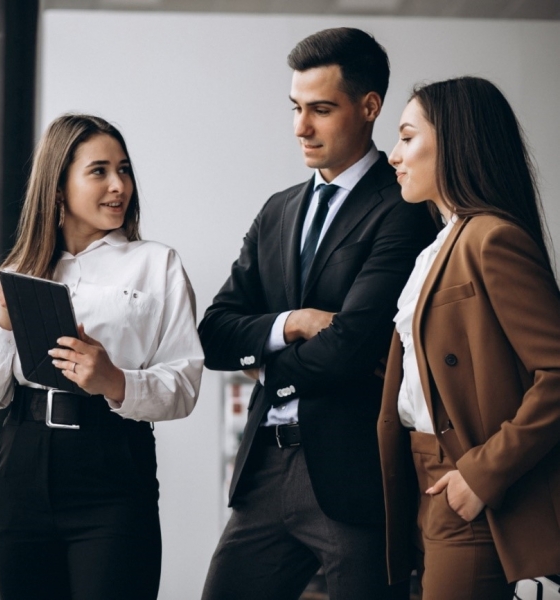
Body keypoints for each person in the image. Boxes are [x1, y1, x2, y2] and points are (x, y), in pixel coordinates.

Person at [199, 28, 437, 599]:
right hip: (263, 473)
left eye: (321, 110)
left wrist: (265, 366)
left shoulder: (403, 210)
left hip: (352, 477)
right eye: (296, 108)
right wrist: (295, 323)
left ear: (369, 106)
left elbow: (354, 345)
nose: (301, 128)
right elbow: (213, 334)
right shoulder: (278, 210)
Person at [0, 113, 203, 600]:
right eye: (99, 171)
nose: (118, 185)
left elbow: (185, 386)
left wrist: (113, 380)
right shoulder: (17, 271)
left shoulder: (157, 264)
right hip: (19, 463)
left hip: (112, 466)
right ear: (58, 187)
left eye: (123, 170)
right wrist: (1, 327)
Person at [380, 76, 560, 598]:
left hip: (465, 478)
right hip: (418, 477)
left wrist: (481, 474)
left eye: (408, 137)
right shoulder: (437, 246)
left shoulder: (491, 237)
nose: (394, 155)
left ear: (455, 141)